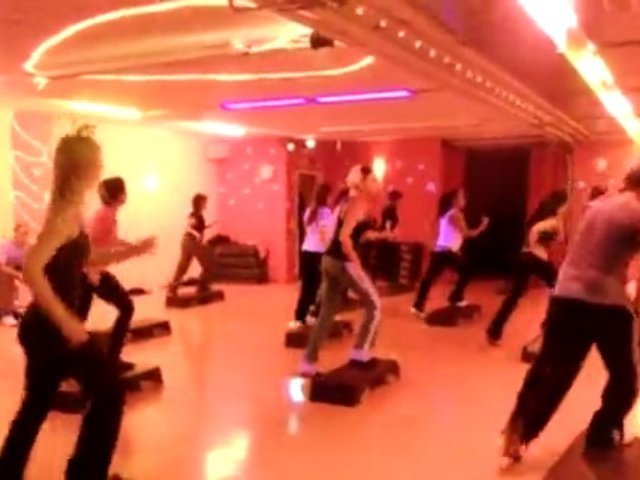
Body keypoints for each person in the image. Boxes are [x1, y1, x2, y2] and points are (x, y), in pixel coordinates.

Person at [0, 128, 156, 480]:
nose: (101, 166)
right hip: (52, 330)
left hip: (41, 329)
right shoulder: (64, 214)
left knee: (35, 407)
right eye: (97, 161)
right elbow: (31, 268)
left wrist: (135, 250)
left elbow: (86, 259)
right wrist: (66, 321)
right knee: (109, 391)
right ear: (81, 168)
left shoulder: (70, 210)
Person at [500, 166, 640, 462]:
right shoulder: (636, 210)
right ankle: (603, 432)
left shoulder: (597, 205)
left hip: (566, 295)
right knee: (625, 376)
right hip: (605, 301)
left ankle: (519, 431)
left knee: (552, 369)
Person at [300, 165, 390, 376]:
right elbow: (343, 238)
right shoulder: (358, 202)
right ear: (361, 183)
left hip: (329, 261)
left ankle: (308, 362)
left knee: (326, 314)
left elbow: (350, 233)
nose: (377, 184)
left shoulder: (347, 201)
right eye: (373, 180)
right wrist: (356, 263)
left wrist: (381, 235)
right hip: (342, 262)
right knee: (375, 305)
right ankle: (360, 353)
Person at [486, 190, 568, 345]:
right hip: (537, 259)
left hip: (524, 257)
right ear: (560, 205)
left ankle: (494, 330)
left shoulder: (537, 220)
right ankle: (548, 324)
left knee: (514, 296)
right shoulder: (555, 222)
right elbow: (561, 239)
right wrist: (562, 220)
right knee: (558, 290)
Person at [79, 177, 139, 373]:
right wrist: (91, 273)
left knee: (78, 319)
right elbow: (88, 243)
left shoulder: (109, 214)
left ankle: (108, 359)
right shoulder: (104, 215)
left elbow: (109, 239)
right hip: (89, 272)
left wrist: (133, 247)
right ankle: (111, 359)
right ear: (119, 195)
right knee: (127, 306)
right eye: (124, 190)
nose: (126, 194)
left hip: (91, 272)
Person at [411, 188, 489, 316]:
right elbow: (467, 234)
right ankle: (455, 297)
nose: (464, 200)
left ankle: (418, 305)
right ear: (454, 200)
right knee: (467, 270)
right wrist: (482, 226)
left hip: (442, 251)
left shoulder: (447, 213)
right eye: (461, 198)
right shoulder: (455, 214)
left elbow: (432, 227)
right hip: (446, 252)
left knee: (429, 278)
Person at [292, 183, 333, 328]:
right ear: (327, 196)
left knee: (307, 287)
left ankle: (300, 317)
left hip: (306, 251)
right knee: (317, 287)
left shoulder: (309, 211)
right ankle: (309, 315)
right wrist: (329, 249)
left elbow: (309, 231)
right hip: (318, 253)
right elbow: (323, 233)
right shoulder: (325, 212)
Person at [168, 193, 213, 297]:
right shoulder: (194, 214)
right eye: (204, 202)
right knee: (208, 263)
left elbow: (195, 227)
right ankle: (202, 286)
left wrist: (205, 227)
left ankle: (173, 288)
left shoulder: (199, 215)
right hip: (191, 242)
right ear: (199, 203)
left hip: (188, 242)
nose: (206, 204)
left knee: (183, 267)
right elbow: (188, 227)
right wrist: (197, 234)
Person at [0, 223, 29, 326]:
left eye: (26, 234)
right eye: (22, 233)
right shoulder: (5, 245)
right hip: (2, 271)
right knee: (5, 278)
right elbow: (2, 267)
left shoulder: (25, 248)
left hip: (10, 270)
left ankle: (11, 308)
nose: (24, 236)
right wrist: (17, 274)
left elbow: (24, 265)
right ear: (15, 233)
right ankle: (5, 313)